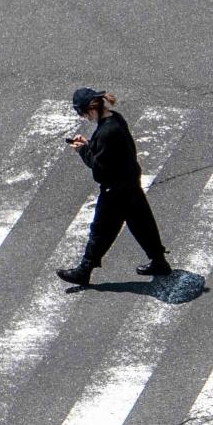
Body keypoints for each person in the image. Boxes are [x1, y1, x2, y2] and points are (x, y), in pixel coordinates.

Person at [55, 87, 172, 287]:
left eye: (82, 114)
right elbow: (110, 153)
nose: (84, 118)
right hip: (130, 182)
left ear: (90, 110)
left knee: (101, 229)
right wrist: (90, 145)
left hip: (115, 189)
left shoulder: (107, 132)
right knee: (142, 223)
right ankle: (159, 261)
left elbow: (100, 168)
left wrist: (83, 151)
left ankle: (85, 269)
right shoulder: (115, 120)